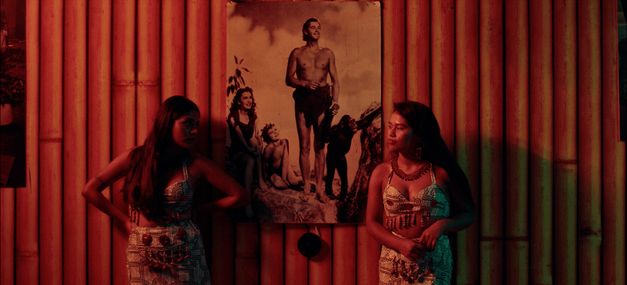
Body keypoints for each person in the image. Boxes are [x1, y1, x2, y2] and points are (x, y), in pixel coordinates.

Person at [83, 96, 247, 284]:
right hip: (143, 252)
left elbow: (239, 195)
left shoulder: (195, 163)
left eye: (196, 125)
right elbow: (90, 190)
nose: (194, 131)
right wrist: (125, 222)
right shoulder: (136, 158)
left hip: (184, 250)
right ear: (168, 122)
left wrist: (201, 209)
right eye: (187, 123)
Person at [366, 101, 475, 285]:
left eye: (399, 128)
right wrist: (400, 244)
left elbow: (469, 214)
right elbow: (371, 222)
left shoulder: (441, 173)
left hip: (434, 263)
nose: (391, 134)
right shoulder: (381, 173)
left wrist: (442, 225)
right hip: (392, 262)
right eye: (390, 126)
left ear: (418, 135)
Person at [285, 17, 339, 199]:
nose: (316, 30)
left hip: (322, 100)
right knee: (305, 146)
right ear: (305, 31)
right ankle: (307, 185)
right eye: (312, 27)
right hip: (302, 100)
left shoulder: (328, 53)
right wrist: (304, 83)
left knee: (320, 146)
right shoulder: (297, 53)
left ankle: (320, 188)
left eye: (319, 27)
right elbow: (288, 79)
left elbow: (335, 80)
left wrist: (336, 101)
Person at [227, 87, 266, 217]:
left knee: (255, 144)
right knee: (250, 158)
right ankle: (247, 202)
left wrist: (259, 143)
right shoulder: (233, 116)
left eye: (250, 97)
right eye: (245, 98)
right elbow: (241, 138)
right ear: (239, 101)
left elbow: (253, 136)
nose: (249, 100)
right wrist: (249, 148)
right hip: (237, 152)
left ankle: (260, 179)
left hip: (248, 149)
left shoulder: (252, 116)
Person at [260, 123, 304, 190]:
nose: (275, 132)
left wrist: (284, 177)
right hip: (273, 171)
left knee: (294, 181)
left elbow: (285, 160)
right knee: (281, 185)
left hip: (283, 167)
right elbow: (264, 164)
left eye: (275, 130)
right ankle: (285, 180)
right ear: (268, 137)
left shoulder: (284, 142)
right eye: (271, 132)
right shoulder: (269, 148)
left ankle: (304, 180)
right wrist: (265, 180)